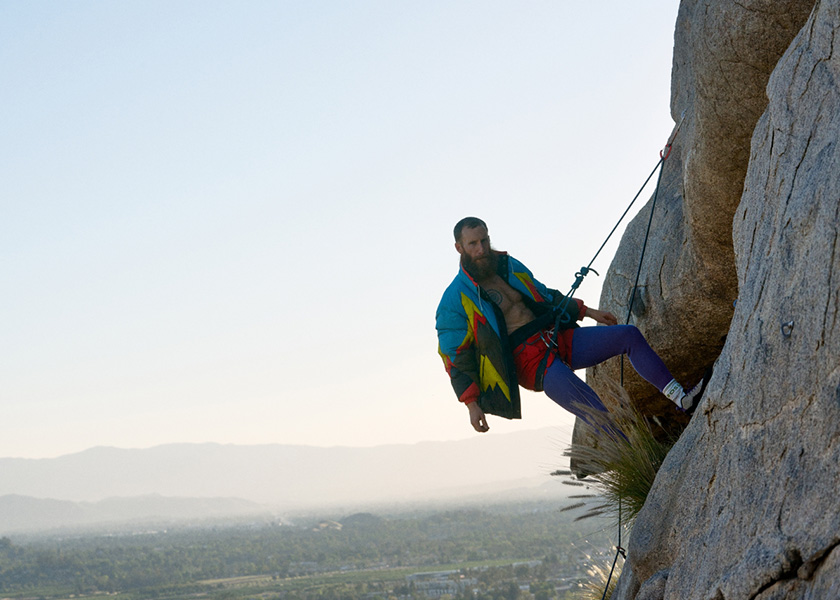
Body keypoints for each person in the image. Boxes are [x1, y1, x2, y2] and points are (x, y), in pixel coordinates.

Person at [435, 216, 703, 433]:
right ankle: (644, 464)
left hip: (554, 336)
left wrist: (588, 312)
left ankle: (682, 399)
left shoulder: (507, 265)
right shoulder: (455, 299)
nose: (481, 249)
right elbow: (455, 358)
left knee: (629, 336)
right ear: (459, 247)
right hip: (529, 361)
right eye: (472, 244)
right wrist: (471, 404)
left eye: (484, 240)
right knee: (594, 410)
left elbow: (543, 295)